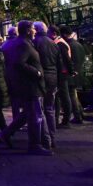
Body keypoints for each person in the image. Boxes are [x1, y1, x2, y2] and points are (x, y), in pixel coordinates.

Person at [0, 20, 52, 155]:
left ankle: (5, 134)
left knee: (28, 114)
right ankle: (35, 145)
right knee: (35, 116)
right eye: (33, 28)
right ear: (28, 30)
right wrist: (37, 72)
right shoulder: (23, 44)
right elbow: (19, 63)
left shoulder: (22, 42)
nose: (35, 31)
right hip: (30, 86)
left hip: (26, 85)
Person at [33, 21, 60, 149]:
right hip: (53, 78)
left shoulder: (35, 42)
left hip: (41, 78)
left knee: (40, 110)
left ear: (36, 30)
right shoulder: (53, 43)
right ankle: (53, 139)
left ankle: (46, 140)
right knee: (49, 109)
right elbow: (58, 63)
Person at [52, 26, 74, 127]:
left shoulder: (60, 44)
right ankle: (62, 120)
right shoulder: (61, 43)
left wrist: (70, 71)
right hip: (63, 73)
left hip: (62, 73)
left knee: (64, 97)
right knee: (62, 97)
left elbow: (66, 59)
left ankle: (66, 121)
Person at [65, 27, 86, 123]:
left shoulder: (68, 45)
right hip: (79, 73)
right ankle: (80, 113)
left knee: (72, 95)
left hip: (71, 75)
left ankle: (78, 116)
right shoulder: (78, 45)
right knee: (74, 95)